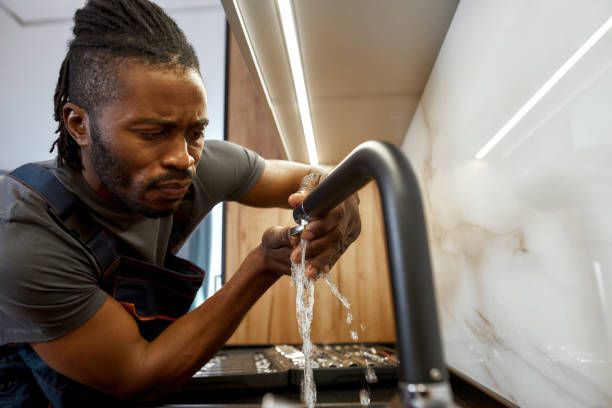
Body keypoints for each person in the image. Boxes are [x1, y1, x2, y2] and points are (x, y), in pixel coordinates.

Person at [0, 0, 361, 406]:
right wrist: (261, 265)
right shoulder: (25, 237)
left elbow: (311, 177)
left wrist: (340, 198)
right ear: (78, 124)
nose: (183, 158)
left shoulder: (192, 166)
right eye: (153, 133)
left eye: (195, 131)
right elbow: (137, 373)